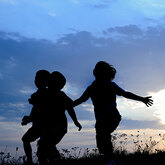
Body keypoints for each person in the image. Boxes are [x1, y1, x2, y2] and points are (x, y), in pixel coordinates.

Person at [74, 61, 153, 165]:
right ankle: (111, 159)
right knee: (101, 143)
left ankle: (111, 160)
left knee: (104, 135)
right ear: (98, 74)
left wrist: (142, 99)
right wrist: (68, 106)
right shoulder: (92, 88)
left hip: (112, 117)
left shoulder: (110, 85)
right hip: (101, 120)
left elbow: (125, 94)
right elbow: (80, 100)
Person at [37, 71, 82, 165]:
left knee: (46, 146)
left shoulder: (61, 95)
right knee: (44, 147)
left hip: (59, 127)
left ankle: (55, 159)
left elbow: (70, 107)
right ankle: (54, 159)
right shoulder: (44, 94)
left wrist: (75, 121)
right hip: (48, 126)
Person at [21, 70, 50, 165]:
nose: (36, 81)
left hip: (46, 126)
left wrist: (30, 118)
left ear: (46, 81)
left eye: (39, 79)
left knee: (45, 149)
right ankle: (30, 161)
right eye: (36, 79)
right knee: (25, 139)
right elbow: (35, 111)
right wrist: (28, 119)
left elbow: (44, 111)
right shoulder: (36, 95)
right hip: (37, 126)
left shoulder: (48, 94)